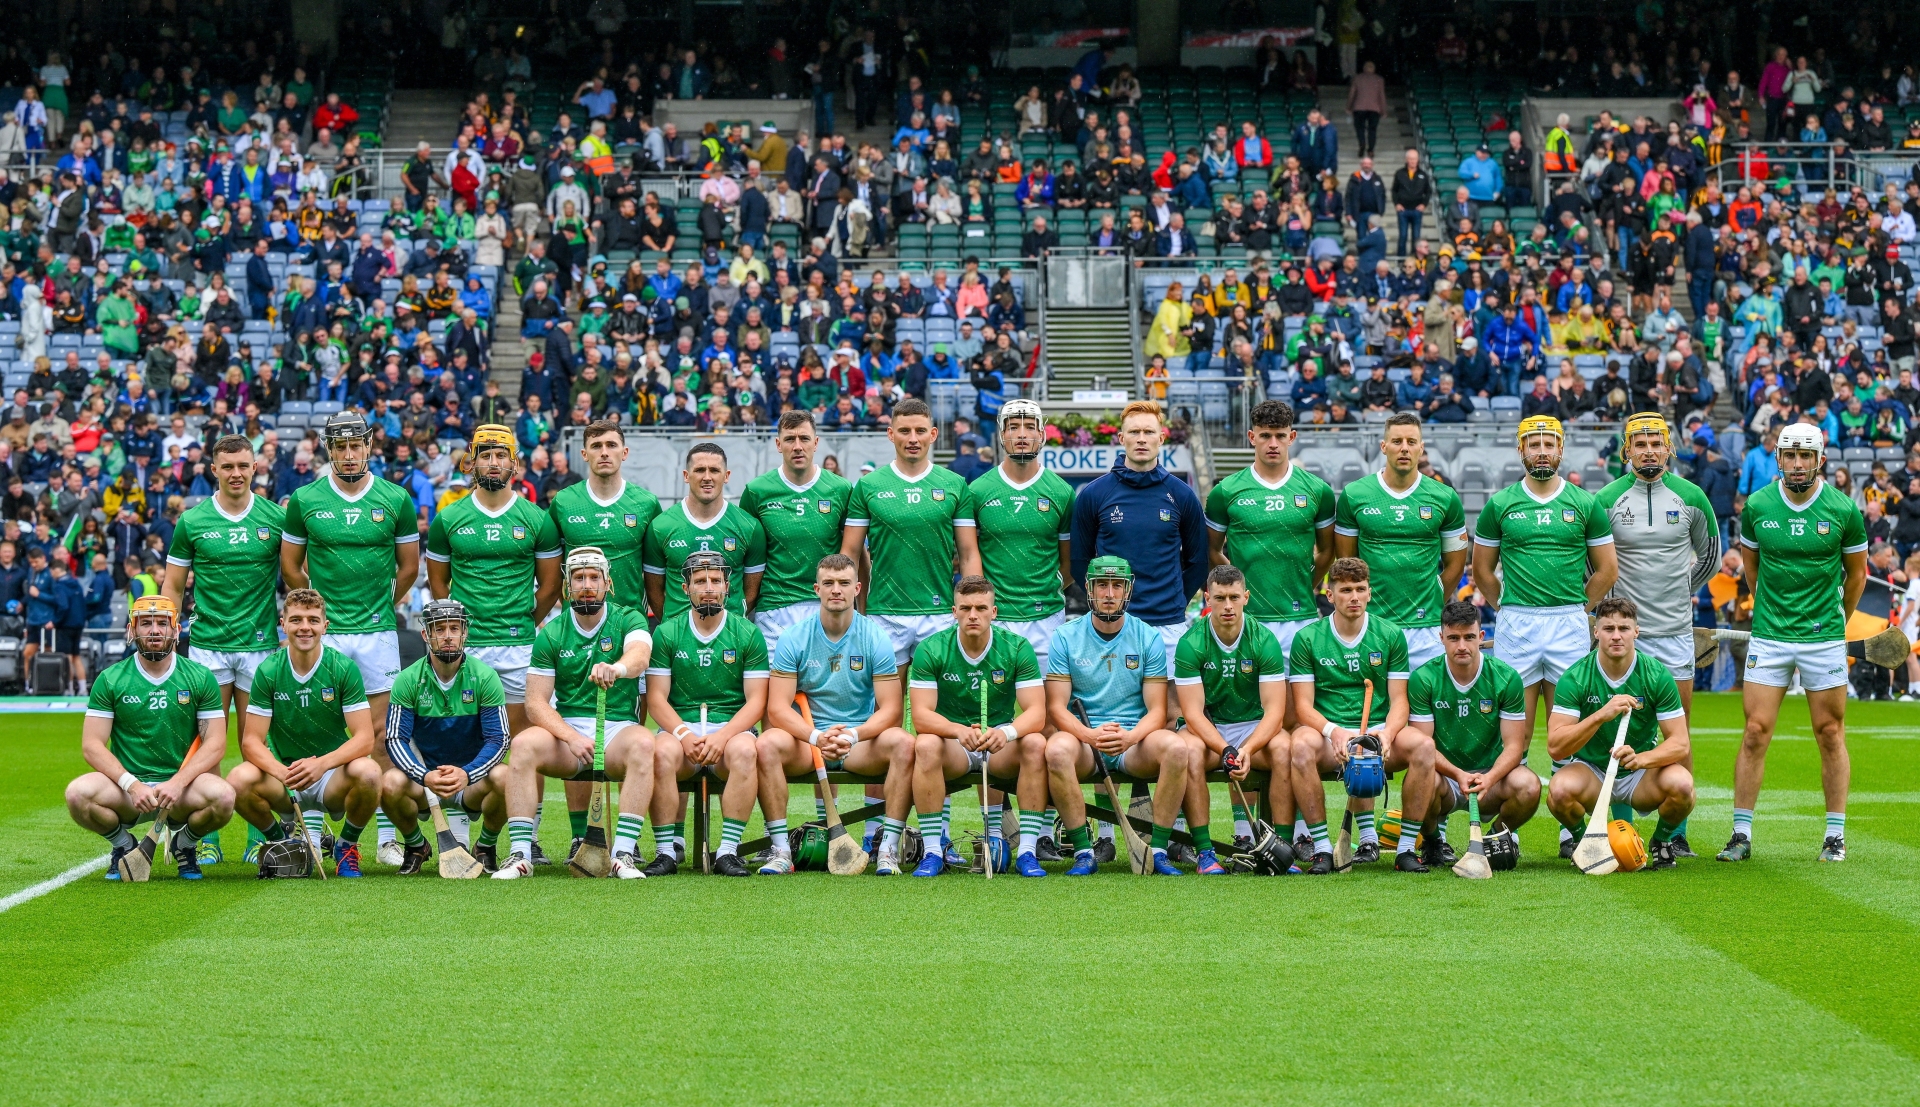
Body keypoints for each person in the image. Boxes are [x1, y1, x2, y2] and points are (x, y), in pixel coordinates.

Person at [280, 409, 420, 865]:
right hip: (327, 633)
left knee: (380, 735)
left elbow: (409, 568)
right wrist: (318, 615)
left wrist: (382, 605)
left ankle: (385, 838)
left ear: (369, 446)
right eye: (339, 446)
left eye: (355, 445)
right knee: (314, 729)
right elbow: (290, 566)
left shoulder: (396, 498)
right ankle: (312, 832)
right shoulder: (305, 499)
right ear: (329, 449)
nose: (348, 454)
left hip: (377, 632)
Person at [1724, 423, 1867, 863]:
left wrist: (1836, 621)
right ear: (1779, 458)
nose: (1798, 463)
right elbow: (1752, 569)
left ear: (1820, 459)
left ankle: (1835, 836)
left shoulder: (1843, 509)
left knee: (1830, 733)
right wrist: (1769, 611)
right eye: (1790, 454)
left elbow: (1857, 575)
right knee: (1754, 732)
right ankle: (1741, 834)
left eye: (1806, 455)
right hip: (1770, 635)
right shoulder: (1758, 505)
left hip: (1823, 638)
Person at [424, 425, 563, 853]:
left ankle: (530, 837)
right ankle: (460, 840)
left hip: (519, 646)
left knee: (526, 743)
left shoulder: (536, 519)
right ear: (471, 462)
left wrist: (523, 621)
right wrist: (459, 629)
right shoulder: (449, 518)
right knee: (462, 740)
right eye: (485, 455)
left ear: (514, 463)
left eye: (501, 455)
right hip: (466, 648)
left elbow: (550, 586)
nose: (493, 462)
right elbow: (438, 585)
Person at [1594, 412, 1721, 855]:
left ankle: (1675, 833)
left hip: (1673, 632)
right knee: (1621, 730)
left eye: (1656, 443)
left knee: (1676, 731)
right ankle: (1621, 831)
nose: (1649, 451)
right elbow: (1595, 562)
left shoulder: (1692, 496)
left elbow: (1711, 558)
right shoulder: (1606, 499)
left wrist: (1679, 590)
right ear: (1626, 450)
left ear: (1669, 448)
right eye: (1640, 444)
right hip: (1625, 635)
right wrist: (1615, 609)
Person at [491, 548, 655, 880]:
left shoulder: (629, 618)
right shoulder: (552, 632)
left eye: (594, 577)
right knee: (522, 745)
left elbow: (640, 655)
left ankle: (622, 855)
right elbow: (535, 703)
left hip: (616, 730)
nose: (587, 585)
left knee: (644, 744)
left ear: (608, 583)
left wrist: (617, 668)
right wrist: (571, 737)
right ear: (567, 587)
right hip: (569, 733)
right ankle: (520, 855)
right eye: (579, 578)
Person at [161, 434, 284, 866]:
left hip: (259, 646)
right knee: (207, 744)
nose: (236, 473)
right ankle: (206, 836)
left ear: (255, 468)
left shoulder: (275, 517)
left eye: (243, 466)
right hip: (208, 647)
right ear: (213, 469)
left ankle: (259, 835)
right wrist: (168, 632)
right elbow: (173, 584)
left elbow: (296, 573)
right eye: (227, 466)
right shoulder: (192, 521)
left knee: (256, 745)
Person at [759, 553, 916, 874]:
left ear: (857, 588)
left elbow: (891, 709)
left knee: (903, 743)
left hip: (857, 744)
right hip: (808, 743)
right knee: (766, 744)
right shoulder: (794, 637)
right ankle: (780, 851)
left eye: (844, 583)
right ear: (816, 589)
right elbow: (777, 708)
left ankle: (887, 850)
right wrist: (816, 737)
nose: (836, 590)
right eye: (828, 583)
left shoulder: (874, 636)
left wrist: (853, 735)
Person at [1041, 556, 1197, 877]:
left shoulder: (1147, 636)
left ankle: (1158, 850)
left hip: (1134, 743)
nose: (1109, 593)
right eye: (1102, 585)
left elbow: (1158, 711)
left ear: (1128, 590)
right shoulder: (1065, 636)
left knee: (1176, 748)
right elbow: (1056, 708)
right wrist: (1089, 736)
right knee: (1056, 750)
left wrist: (1130, 737)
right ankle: (1083, 852)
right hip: (1086, 743)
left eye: (1117, 585)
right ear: (1089, 589)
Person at [1471, 415, 1618, 755]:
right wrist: (1505, 607)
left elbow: (1608, 570)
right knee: (1514, 735)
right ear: (1520, 449)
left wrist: (1578, 609)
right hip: (1517, 622)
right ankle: (1514, 786)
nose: (1541, 451)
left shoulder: (1585, 502)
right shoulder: (1500, 503)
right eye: (1534, 444)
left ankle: (1567, 788)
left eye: (1549, 444)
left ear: (1560, 450)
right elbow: (1482, 571)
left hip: (1568, 622)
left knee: (1568, 733)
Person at [546, 418, 662, 846]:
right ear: (584, 454)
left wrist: (649, 622)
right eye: (596, 446)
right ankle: (584, 838)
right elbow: (551, 570)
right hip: (577, 631)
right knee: (576, 728)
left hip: (630, 631)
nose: (605, 452)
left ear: (624, 452)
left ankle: (636, 840)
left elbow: (655, 574)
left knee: (631, 732)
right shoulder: (564, 503)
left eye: (612, 445)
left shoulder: (645, 503)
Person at [66, 596, 231, 881]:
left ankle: (184, 845)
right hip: (128, 791)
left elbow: (215, 743)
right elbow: (92, 746)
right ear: (132, 629)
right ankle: (123, 845)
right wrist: (131, 785)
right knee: (77, 795)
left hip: (181, 791)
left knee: (224, 797)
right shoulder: (111, 679)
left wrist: (178, 782)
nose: (154, 630)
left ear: (176, 629)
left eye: (162, 623)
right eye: (145, 623)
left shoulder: (200, 677)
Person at [1286, 557, 1434, 873]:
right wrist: (1334, 731)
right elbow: (1303, 707)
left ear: (1369, 593)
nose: (1354, 597)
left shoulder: (1390, 634)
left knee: (1424, 747)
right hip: (1330, 734)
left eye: (1360, 589)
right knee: (1299, 745)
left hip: (1377, 730)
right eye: (1345, 590)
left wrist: (1388, 733)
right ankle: (1322, 849)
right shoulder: (1308, 638)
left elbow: (1399, 701)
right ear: (1330, 595)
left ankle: (1406, 850)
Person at [225, 589, 380, 876]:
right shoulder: (269, 670)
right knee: (237, 779)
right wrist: (283, 773)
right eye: (296, 620)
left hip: (331, 775)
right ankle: (283, 844)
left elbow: (364, 739)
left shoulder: (343, 667)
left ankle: (346, 845)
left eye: (313, 620)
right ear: (283, 624)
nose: (305, 627)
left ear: (325, 626)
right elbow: (251, 741)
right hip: (286, 776)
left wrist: (321, 764)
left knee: (369, 773)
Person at [906, 574, 1047, 876]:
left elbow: (1037, 712)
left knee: (1035, 742)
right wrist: (958, 731)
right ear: (954, 611)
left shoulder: (1016, 647)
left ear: (993, 612)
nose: (973, 615)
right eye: (966, 608)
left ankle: (1027, 852)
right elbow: (921, 716)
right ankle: (932, 852)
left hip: (998, 742)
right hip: (953, 744)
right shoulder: (931, 648)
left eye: (981, 608)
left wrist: (1006, 732)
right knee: (925, 743)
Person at [644, 551, 771, 877]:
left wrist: (723, 737)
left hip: (730, 729)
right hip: (680, 728)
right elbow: (656, 699)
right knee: (660, 752)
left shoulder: (747, 633)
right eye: (700, 581)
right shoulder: (667, 633)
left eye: (716, 581)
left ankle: (727, 851)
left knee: (746, 751)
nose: (709, 588)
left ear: (728, 586)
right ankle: (666, 851)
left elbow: (756, 702)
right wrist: (684, 735)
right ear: (685, 588)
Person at [1544, 598, 1696, 871]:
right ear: (1596, 632)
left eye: (1624, 628)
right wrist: (1600, 715)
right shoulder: (1576, 676)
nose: (1616, 636)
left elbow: (1680, 744)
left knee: (1683, 785)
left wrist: (1641, 759)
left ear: (1636, 631)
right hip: (1593, 770)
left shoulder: (1656, 675)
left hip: (1639, 774)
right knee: (1559, 791)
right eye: (1609, 628)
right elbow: (1556, 746)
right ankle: (1586, 842)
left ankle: (1662, 841)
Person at [839, 398, 981, 667]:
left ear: (933, 434)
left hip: (940, 612)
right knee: (887, 695)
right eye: (904, 431)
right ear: (891, 434)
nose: (913, 438)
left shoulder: (955, 484)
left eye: (920, 431)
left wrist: (972, 607)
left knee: (938, 695)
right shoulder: (868, 485)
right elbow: (850, 554)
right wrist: (852, 610)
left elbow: (968, 553)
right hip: (884, 612)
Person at [1070, 400, 1208, 670]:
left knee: (1171, 699)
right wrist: (1105, 603)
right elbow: (1078, 561)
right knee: (1116, 698)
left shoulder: (1182, 495)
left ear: (1161, 438)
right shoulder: (1094, 494)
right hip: (1112, 624)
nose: (1141, 439)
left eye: (1148, 432)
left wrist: (1175, 601)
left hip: (1168, 624)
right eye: (1134, 432)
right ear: (1121, 438)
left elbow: (1198, 562)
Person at [378, 598, 511, 875]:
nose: (448, 636)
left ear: (465, 633)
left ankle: (485, 846)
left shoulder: (485, 677)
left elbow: (498, 740)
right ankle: (416, 845)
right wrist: (423, 775)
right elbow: (395, 739)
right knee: (389, 783)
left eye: (454, 628)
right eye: (439, 629)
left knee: (507, 778)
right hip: (426, 781)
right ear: (426, 634)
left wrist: (468, 774)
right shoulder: (408, 679)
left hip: (471, 781)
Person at [1174, 564, 1293, 857]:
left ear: (1246, 597)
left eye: (1234, 597)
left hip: (1253, 726)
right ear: (1207, 598)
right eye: (1220, 598)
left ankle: (1283, 849)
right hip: (1209, 728)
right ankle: (1205, 852)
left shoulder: (1264, 640)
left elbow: (1275, 712)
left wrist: (1247, 749)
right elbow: (1192, 714)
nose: (1227, 605)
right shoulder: (1190, 643)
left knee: (1284, 748)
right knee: (1188, 751)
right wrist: (1226, 749)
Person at [1334, 412, 1469, 670]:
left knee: (1425, 698)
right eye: (1397, 441)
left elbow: (1455, 564)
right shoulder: (1354, 494)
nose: (1404, 448)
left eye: (1411, 442)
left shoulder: (1445, 497)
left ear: (1421, 447)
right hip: (1371, 623)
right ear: (1383, 446)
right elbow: (1347, 564)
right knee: (1372, 697)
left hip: (1426, 627)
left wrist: (1433, 598)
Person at [1407, 600, 1537, 866]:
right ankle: (1433, 841)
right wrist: (1458, 774)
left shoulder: (1506, 677)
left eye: (1468, 637)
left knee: (1529, 786)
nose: (1462, 646)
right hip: (1446, 777)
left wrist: (1489, 778)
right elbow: (1423, 746)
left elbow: (1515, 746)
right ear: (1441, 638)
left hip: (1491, 778)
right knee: (1420, 779)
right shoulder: (1424, 678)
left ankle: (1493, 839)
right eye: (1453, 638)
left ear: (1481, 636)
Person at [1205, 400, 1335, 657]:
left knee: (1300, 686)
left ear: (1292, 437)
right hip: (1245, 617)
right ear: (1252, 437)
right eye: (1265, 435)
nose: (1273, 443)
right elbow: (1212, 551)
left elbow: (1327, 551)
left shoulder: (1319, 490)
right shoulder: (1225, 491)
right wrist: (1236, 590)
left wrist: (1304, 583)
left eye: (1280, 436)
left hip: (1300, 617)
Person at [740, 410, 851, 653]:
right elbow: (746, 555)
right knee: (777, 679)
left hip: (826, 604)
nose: (798, 446)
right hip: (774, 607)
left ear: (816, 443)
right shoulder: (757, 490)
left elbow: (855, 550)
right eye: (790, 439)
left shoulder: (841, 489)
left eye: (804, 438)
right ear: (778, 444)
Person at [644, 443, 766, 621]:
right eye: (700, 470)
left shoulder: (749, 526)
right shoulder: (661, 526)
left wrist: (727, 621)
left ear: (726, 476)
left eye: (714, 470)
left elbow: (751, 592)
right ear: (686, 476)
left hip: (730, 632)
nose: (707, 477)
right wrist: (676, 626)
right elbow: (654, 591)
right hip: (677, 633)